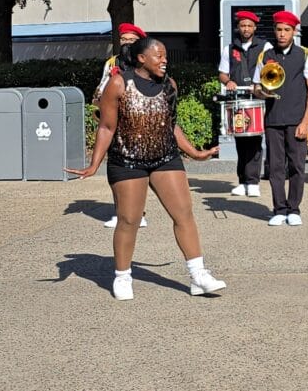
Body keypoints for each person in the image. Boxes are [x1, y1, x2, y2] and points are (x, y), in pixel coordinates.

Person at [67, 36, 225, 301]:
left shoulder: (169, 85)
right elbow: (107, 127)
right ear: (142, 58)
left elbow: (170, 125)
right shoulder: (119, 83)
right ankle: (122, 275)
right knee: (129, 220)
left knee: (184, 214)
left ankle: (198, 275)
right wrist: (94, 164)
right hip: (127, 161)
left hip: (165, 157)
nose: (164, 61)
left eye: (165, 56)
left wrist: (196, 153)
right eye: (159, 56)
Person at [253, 11, 308, 226]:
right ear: (274, 31)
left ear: (294, 32)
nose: (282, 34)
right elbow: (256, 87)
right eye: (279, 29)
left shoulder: (305, 54)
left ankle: (294, 208)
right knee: (275, 166)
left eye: (286, 30)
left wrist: (305, 121)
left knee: (297, 166)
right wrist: (263, 93)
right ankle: (279, 209)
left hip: (296, 119)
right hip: (273, 119)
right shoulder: (266, 55)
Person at [94, 22, 149, 229]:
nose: (126, 43)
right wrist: (99, 106)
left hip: (140, 121)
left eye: (131, 40)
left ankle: (138, 213)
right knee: (117, 167)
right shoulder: (111, 62)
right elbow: (101, 87)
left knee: (139, 169)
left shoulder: (145, 61)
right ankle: (120, 212)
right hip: (115, 121)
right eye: (123, 40)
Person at [218, 10, 271, 198]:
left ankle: (253, 181)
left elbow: (272, 70)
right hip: (238, 98)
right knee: (240, 140)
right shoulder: (230, 48)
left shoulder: (266, 46)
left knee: (255, 141)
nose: (246, 29)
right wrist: (228, 82)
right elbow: (223, 73)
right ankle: (242, 181)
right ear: (238, 27)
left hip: (257, 97)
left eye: (249, 25)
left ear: (255, 27)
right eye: (242, 25)